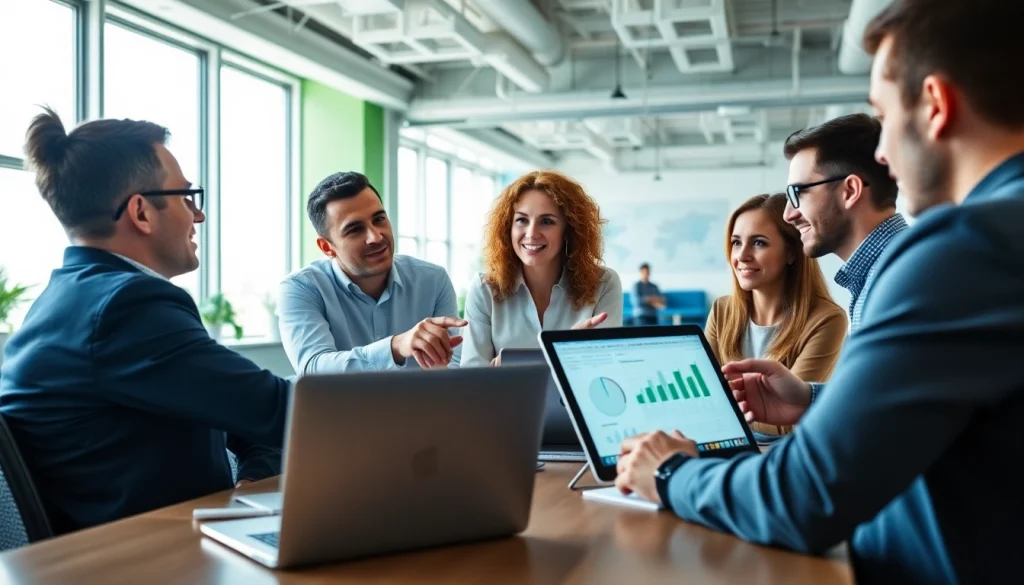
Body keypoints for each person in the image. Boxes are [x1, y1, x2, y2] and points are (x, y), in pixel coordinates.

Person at [614, 1, 1024, 583]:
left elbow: (805, 498)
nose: (883, 153)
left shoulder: (962, 249)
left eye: (885, 118)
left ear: (935, 107)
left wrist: (672, 472)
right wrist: (813, 400)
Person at [0, 109, 291, 535]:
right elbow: (279, 408)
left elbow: (245, 411)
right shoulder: (126, 308)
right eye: (186, 196)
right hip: (145, 562)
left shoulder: (71, 300)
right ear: (141, 212)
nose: (198, 215)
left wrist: (249, 480)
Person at [278, 172, 466, 373]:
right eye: (355, 230)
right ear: (326, 247)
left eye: (379, 219)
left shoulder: (433, 280)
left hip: (417, 403)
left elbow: (453, 365)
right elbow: (313, 368)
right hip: (342, 406)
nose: (375, 237)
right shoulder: (301, 288)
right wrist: (395, 346)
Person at [704, 194, 846, 442]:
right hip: (730, 443)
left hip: (791, 449)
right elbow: (704, 395)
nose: (742, 256)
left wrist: (721, 412)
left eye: (759, 243)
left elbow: (790, 417)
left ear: (792, 252)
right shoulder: (722, 310)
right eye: (736, 243)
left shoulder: (827, 319)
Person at [461, 170, 623, 367]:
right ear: (508, 228)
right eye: (522, 220)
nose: (531, 233)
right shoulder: (484, 288)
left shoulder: (604, 284)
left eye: (547, 222)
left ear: (568, 231)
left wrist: (514, 366)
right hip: (504, 399)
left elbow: (606, 369)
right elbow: (471, 379)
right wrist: (566, 354)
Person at [782, 113, 907, 332]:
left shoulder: (898, 281)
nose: (788, 214)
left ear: (850, 191)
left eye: (798, 193)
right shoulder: (882, 272)